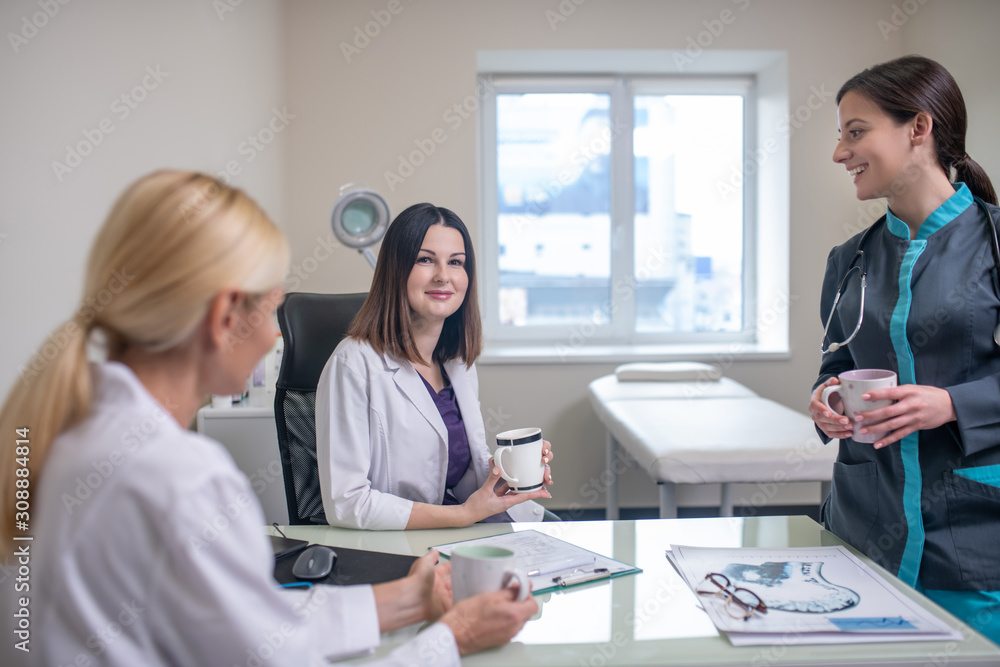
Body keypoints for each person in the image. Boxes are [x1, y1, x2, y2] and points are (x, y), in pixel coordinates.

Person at [0, 171, 538, 666]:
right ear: (224, 318)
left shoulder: (66, 432)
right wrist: (454, 637)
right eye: (270, 308)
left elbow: (260, 631)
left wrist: (407, 598)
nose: (276, 337)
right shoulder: (183, 480)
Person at [809, 56, 1000, 643]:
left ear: (919, 128)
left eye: (856, 131)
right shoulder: (850, 261)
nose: (840, 153)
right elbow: (836, 365)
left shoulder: (994, 245)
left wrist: (952, 405)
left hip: (972, 540)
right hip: (862, 533)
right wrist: (827, 398)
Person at [316, 203, 554, 529]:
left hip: (459, 532)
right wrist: (462, 515)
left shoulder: (457, 364)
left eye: (456, 262)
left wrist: (511, 471)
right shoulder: (354, 364)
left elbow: (458, 478)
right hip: (396, 546)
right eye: (426, 260)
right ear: (396, 270)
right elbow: (347, 503)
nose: (443, 276)